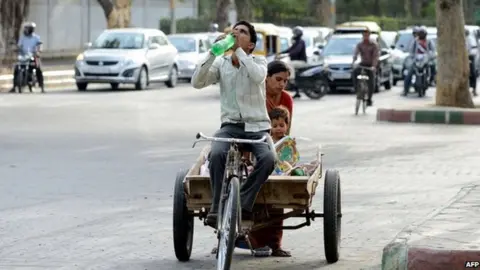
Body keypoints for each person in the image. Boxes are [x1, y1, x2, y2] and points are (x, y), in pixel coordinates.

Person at [191, 20, 276, 227]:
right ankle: (217, 207)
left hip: (257, 127)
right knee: (217, 154)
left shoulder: (259, 62)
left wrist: (239, 52)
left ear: (251, 45)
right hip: (230, 126)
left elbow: (257, 77)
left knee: (268, 159)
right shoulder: (222, 64)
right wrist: (212, 53)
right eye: (234, 31)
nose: (236, 34)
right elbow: (197, 82)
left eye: (242, 32)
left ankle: (243, 202)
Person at [247, 60, 293, 257]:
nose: (282, 84)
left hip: (276, 150)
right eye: (278, 79)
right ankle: (252, 240)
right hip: (254, 148)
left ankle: (275, 244)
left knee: (277, 196)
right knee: (256, 195)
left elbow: (286, 129)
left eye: (285, 80)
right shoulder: (257, 95)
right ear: (266, 78)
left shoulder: (287, 99)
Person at [10, 22, 44, 93]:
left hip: (33, 56)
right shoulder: (22, 38)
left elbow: (40, 45)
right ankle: (14, 86)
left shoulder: (36, 37)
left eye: (27, 28)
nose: (25, 30)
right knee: (16, 68)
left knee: (38, 68)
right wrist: (16, 49)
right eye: (25, 28)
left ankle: (41, 86)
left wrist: (38, 51)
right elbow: (19, 46)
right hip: (23, 56)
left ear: (31, 29)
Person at [403, 26, 435, 96]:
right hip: (416, 60)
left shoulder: (429, 41)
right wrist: (411, 56)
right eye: (420, 34)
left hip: (425, 60)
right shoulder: (415, 41)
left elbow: (432, 50)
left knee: (433, 67)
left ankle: (432, 80)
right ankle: (405, 90)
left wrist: (431, 55)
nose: (422, 35)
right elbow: (411, 50)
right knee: (409, 74)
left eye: (423, 34)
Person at [352, 28, 379, 106]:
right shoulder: (360, 44)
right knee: (354, 72)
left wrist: (374, 66)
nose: (365, 37)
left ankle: (369, 99)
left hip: (371, 65)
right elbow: (356, 53)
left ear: (369, 35)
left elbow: (375, 56)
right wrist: (353, 61)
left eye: (367, 35)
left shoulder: (374, 45)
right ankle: (357, 91)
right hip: (363, 63)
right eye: (364, 35)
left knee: (371, 81)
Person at [280, 26, 307, 99]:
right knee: (287, 63)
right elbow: (290, 49)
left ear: (298, 33)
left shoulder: (301, 42)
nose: (293, 35)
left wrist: (287, 54)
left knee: (289, 64)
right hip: (296, 61)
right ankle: (297, 91)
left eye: (294, 33)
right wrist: (281, 52)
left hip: (301, 61)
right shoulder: (297, 42)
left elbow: (296, 51)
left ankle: (292, 78)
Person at [466, 29, 477, 96]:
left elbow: (473, 49)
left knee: (472, 73)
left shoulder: (470, 39)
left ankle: (474, 89)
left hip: (470, 57)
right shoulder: (460, 39)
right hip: (462, 57)